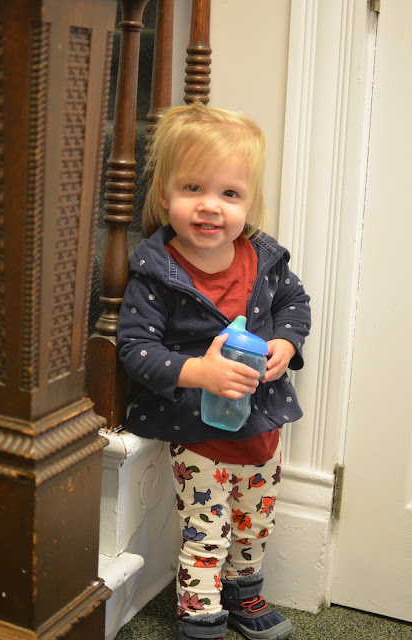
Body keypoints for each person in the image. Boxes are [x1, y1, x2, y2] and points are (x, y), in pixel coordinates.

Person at [117, 102, 311, 640]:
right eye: (192, 188)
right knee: (206, 530)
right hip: (197, 430)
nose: (210, 206)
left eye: (229, 193)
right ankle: (199, 610)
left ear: (250, 204)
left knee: (255, 522)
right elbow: (135, 349)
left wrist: (284, 341)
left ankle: (244, 594)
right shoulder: (157, 273)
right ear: (164, 196)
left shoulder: (264, 260)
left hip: (262, 425)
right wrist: (199, 373)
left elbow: (295, 304)